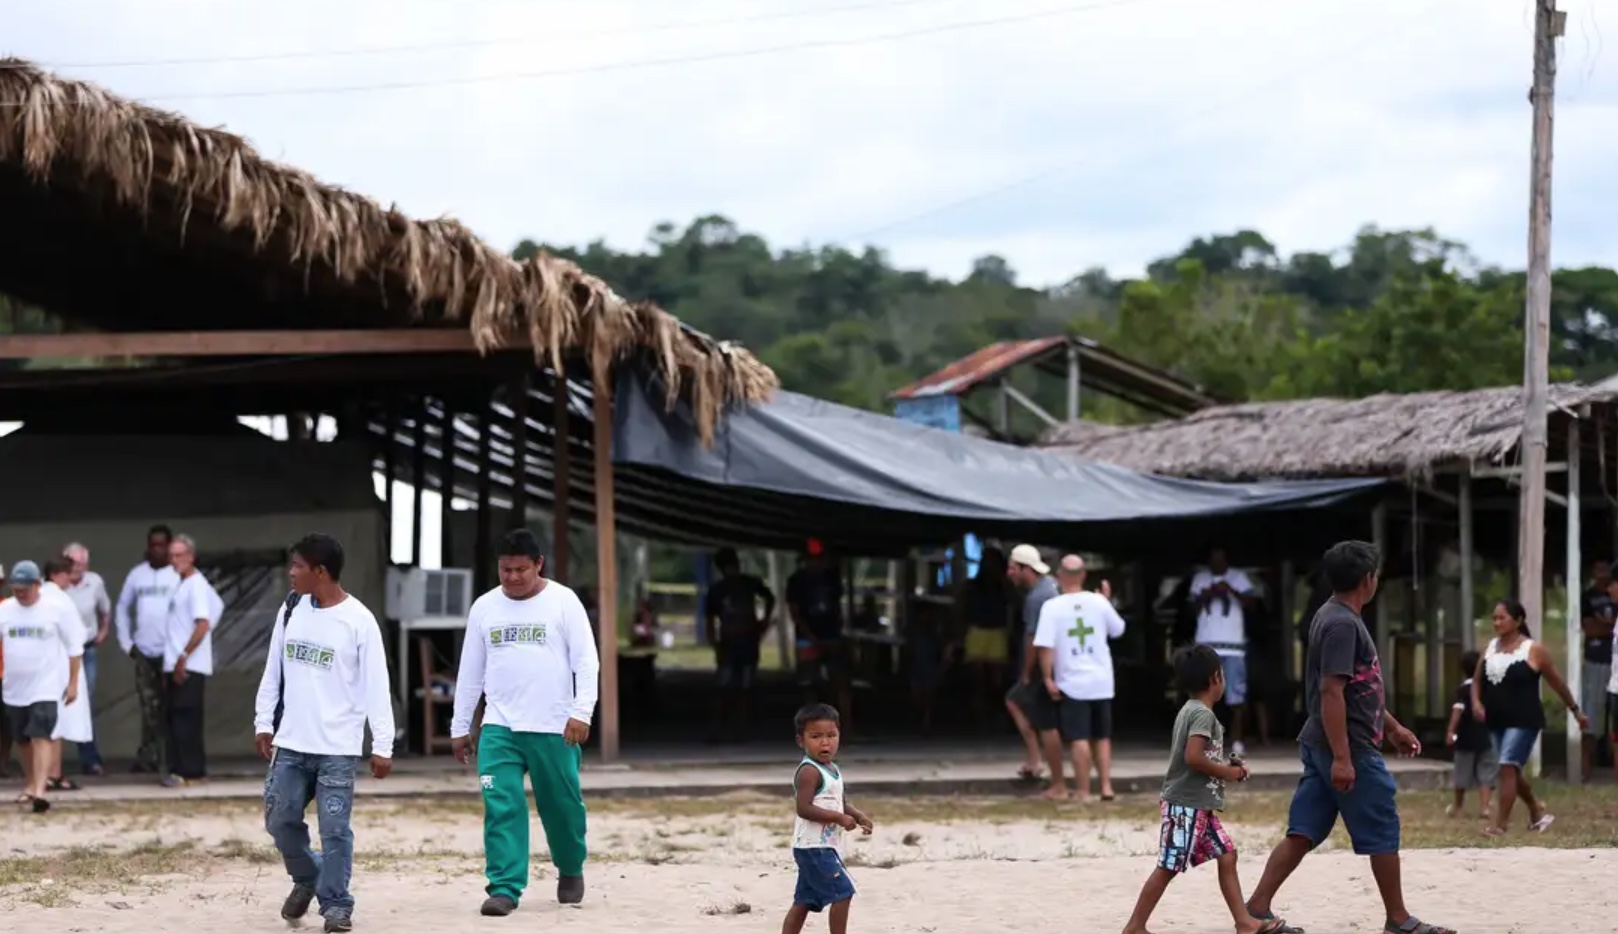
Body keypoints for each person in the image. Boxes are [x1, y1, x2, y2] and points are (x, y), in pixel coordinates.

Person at [1244, 540, 1454, 934]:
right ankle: (1398, 919)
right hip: (1348, 747)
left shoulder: (1333, 616)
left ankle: (1256, 907)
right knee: (1382, 827)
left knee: (1304, 829)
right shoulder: (1342, 624)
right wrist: (1343, 756)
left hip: (1327, 742)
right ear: (1368, 580)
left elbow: (1359, 689)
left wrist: (1391, 726)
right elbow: (1332, 692)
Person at [450, 528, 600, 917]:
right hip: (499, 727)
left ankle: (570, 866)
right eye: (505, 571)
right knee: (501, 805)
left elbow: (586, 661)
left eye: (520, 570)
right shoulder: (484, 608)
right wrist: (460, 725)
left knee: (561, 806)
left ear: (538, 565)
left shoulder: (564, 602)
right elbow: (471, 672)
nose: (513, 578)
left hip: (554, 726)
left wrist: (581, 712)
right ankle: (504, 887)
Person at [253, 533, 394, 933]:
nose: (290, 573)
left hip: (337, 747)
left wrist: (382, 744)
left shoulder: (359, 621)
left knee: (334, 830)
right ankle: (307, 877)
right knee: (279, 820)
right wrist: (264, 721)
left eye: (297, 566)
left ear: (321, 572)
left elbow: (376, 686)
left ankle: (336, 905)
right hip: (292, 743)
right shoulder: (292, 608)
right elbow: (273, 669)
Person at [1122, 645, 1284, 934]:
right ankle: (1135, 926)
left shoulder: (1191, 710)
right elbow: (1194, 758)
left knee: (1227, 855)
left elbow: (1199, 756)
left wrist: (1224, 766)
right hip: (1185, 805)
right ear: (1215, 679)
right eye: (1222, 674)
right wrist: (1230, 773)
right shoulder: (1202, 716)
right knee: (1168, 866)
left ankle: (1244, 922)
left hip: (1200, 806)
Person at [1471, 599, 1586, 836]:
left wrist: (1575, 710)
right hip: (1495, 720)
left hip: (1524, 720)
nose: (1496, 622)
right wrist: (1476, 702)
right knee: (1510, 770)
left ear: (1518, 620)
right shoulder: (1491, 647)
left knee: (1507, 765)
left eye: (1502, 618)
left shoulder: (1533, 650)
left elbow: (1557, 683)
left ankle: (1500, 826)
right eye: (1494, 618)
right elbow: (1477, 680)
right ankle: (1535, 810)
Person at [1032, 554, 1126, 802]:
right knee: (1102, 736)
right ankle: (1106, 786)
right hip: (1102, 680)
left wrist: (1047, 677)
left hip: (1072, 682)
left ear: (1059, 576)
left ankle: (1084, 790)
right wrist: (1106, 601)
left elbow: (1045, 646)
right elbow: (1118, 630)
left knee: (1079, 737)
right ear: (1083, 575)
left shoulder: (1052, 607)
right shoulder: (1098, 602)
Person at [0, 560, 84, 814]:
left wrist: (72, 683)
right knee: (23, 739)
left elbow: (74, 648)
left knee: (42, 733)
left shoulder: (54, 609)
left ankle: (40, 791)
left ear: (38, 584)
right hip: (14, 688)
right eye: (16, 587)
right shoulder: (5, 611)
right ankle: (30, 784)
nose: (20, 591)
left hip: (46, 686)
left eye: (25, 587)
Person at [781, 703, 871, 934]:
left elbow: (840, 802)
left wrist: (858, 816)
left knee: (804, 901)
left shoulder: (832, 769)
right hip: (813, 847)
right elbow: (804, 808)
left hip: (824, 847)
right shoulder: (809, 771)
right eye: (816, 736)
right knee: (843, 892)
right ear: (801, 741)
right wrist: (838, 818)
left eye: (831, 735)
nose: (825, 742)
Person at [116, 524, 179, 774]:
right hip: (144, 652)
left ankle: (171, 758)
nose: (157, 549)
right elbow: (122, 608)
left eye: (162, 545)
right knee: (148, 707)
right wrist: (127, 643)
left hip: (171, 653)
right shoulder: (137, 575)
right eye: (153, 545)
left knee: (171, 707)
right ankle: (148, 756)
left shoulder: (178, 575)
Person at [162, 534, 223, 789]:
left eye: (179, 555)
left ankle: (190, 771)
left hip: (187, 663)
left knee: (185, 718)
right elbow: (217, 606)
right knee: (177, 717)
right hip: (179, 660)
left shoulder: (195, 584)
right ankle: (182, 768)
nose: (174, 560)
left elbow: (204, 622)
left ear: (190, 557)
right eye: (171, 556)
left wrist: (185, 655)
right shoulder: (184, 583)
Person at [1189, 547, 1257, 757]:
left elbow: (1252, 605)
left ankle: (1236, 742)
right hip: (1206, 645)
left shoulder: (1239, 578)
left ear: (1227, 560)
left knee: (1235, 698)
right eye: (1213, 559)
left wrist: (1231, 590)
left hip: (1233, 647)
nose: (1216, 563)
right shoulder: (1200, 579)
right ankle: (1204, 741)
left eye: (1220, 559)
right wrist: (1206, 594)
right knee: (1204, 696)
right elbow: (1191, 609)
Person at [703, 547, 775, 741]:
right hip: (733, 639)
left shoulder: (745, 584)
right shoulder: (720, 589)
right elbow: (709, 619)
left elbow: (769, 598)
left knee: (741, 685)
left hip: (744, 637)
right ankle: (723, 727)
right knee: (730, 685)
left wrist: (764, 621)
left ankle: (736, 727)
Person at [1005, 544, 1059, 782]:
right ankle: (1036, 759)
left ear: (1026, 569)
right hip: (1054, 661)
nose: (1009, 573)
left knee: (1015, 701)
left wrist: (1027, 673)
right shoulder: (1050, 587)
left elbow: (1033, 639)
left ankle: (1036, 760)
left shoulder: (1036, 597)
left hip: (1042, 663)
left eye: (1013, 568)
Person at [787, 540, 853, 735]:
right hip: (808, 637)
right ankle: (812, 728)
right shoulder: (797, 581)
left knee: (840, 682)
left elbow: (837, 607)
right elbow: (795, 612)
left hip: (831, 634)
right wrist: (811, 635)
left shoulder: (831, 578)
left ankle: (846, 726)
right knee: (810, 685)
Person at [41, 557, 91, 791]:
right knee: (55, 722)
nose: (72, 579)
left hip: (42, 665)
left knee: (49, 722)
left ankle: (51, 773)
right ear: (58, 575)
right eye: (69, 574)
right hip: (61, 665)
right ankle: (51, 774)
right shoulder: (61, 600)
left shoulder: (38, 597)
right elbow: (77, 637)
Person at [63, 543, 110, 776]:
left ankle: (90, 759)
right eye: (74, 563)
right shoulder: (54, 585)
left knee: (85, 704)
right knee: (55, 703)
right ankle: (52, 765)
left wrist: (103, 632)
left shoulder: (95, 582)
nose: (78, 569)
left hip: (86, 649)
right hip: (61, 652)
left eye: (82, 564)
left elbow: (105, 610)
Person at [953, 546, 1011, 727]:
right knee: (977, 678)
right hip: (977, 630)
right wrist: (959, 633)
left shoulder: (1004, 586)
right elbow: (960, 608)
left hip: (996, 631)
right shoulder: (971, 586)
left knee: (996, 679)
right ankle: (980, 715)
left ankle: (994, 712)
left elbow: (1013, 606)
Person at [1440, 648, 1494, 818]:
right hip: (1487, 736)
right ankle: (1485, 807)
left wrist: (1450, 731)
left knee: (1461, 772)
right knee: (1486, 772)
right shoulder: (1489, 688)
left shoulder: (1463, 690)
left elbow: (1458, 711)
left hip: (1466, 738)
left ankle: (1458, 807)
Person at [1578, 560, 1614, 781]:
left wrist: (1605, 627)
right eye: (1598, 569)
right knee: (1591, 714)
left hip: (1615, 662)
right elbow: (1589, 628)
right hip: (1595, 661)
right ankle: (1584, 771)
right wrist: (1611, 627)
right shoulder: (1588, 597)